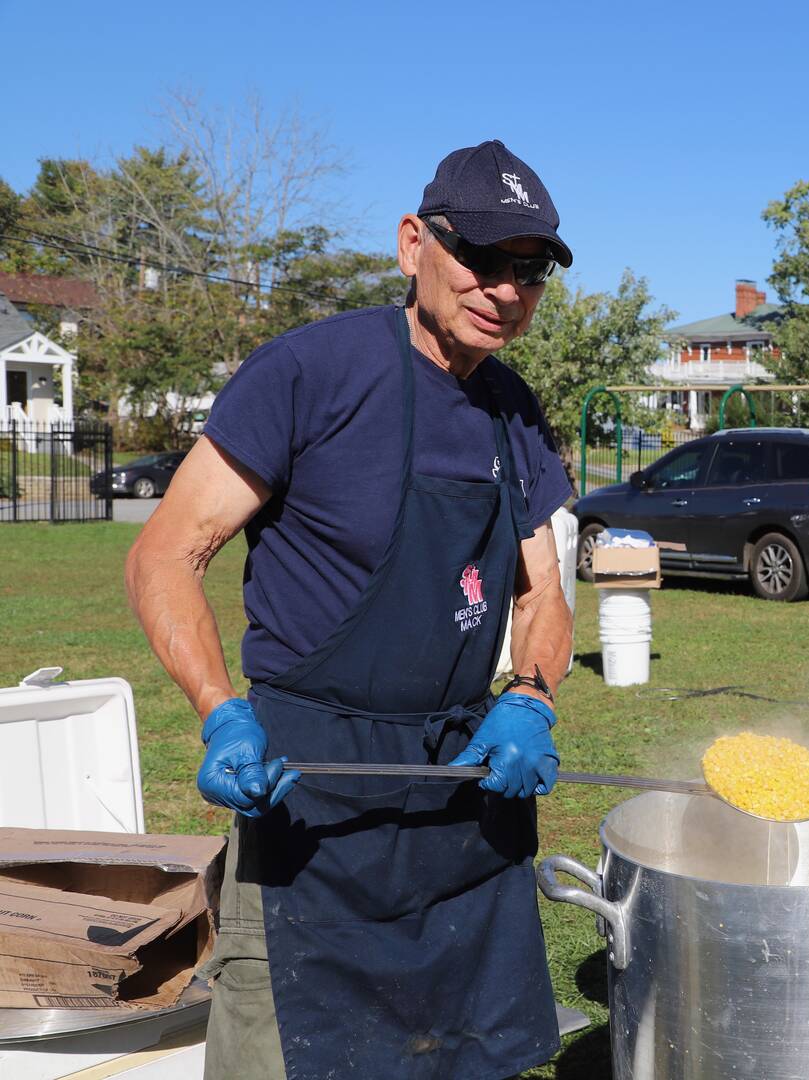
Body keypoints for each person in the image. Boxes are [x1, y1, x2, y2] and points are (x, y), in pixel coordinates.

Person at [126, 140, 576, 1078]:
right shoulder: (307, 374)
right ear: (414, 244)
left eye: (528, 271)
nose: (505, 289)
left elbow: (543, 594)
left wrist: (530, 697)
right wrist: (221, 712)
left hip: (465, 804)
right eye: (482, 260)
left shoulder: (514, 412)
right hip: (310, 805)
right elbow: (166, 553)